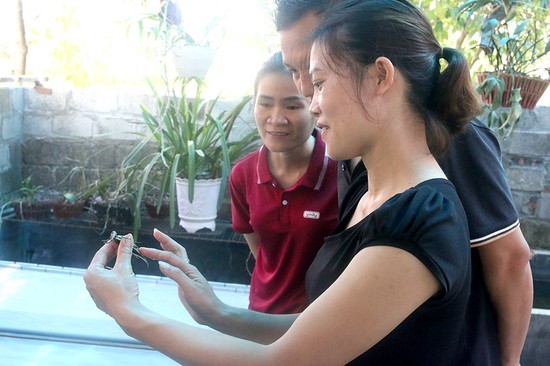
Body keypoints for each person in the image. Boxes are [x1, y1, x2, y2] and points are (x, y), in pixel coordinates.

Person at [85, 1, 488, 363]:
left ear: (380, 76)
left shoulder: (421, 219)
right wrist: (217, 313)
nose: (312, 104)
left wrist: (129, 312)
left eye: (320, 82)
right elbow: (321, 329)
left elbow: (285, 362)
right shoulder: (369, 194)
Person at [275, 1, 533, 365]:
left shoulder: (450, 138)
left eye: (313, 70)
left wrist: (509, 361)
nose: (304, 89)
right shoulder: (351, 145)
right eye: (293, 70)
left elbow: (509, 257)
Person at [230, 52, 338, 314]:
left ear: (314, 106)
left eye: (292, 106)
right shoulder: (243, 175)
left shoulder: (342, 171)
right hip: (259, 316)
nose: (276, 119)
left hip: (320, 323)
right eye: (265, 104)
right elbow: (262, 252)